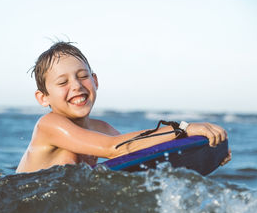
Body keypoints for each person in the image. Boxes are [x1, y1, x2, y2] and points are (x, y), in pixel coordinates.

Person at [16, 42, 231, 173]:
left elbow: (140, 156)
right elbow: (115, 147)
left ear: (95, 81)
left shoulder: (101, 128)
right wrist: (183, 128)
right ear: (43, 98)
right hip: (18, 205)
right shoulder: (49, 125)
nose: (77, 86)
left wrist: (202, 152)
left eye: (83, 76)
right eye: (63, 83)